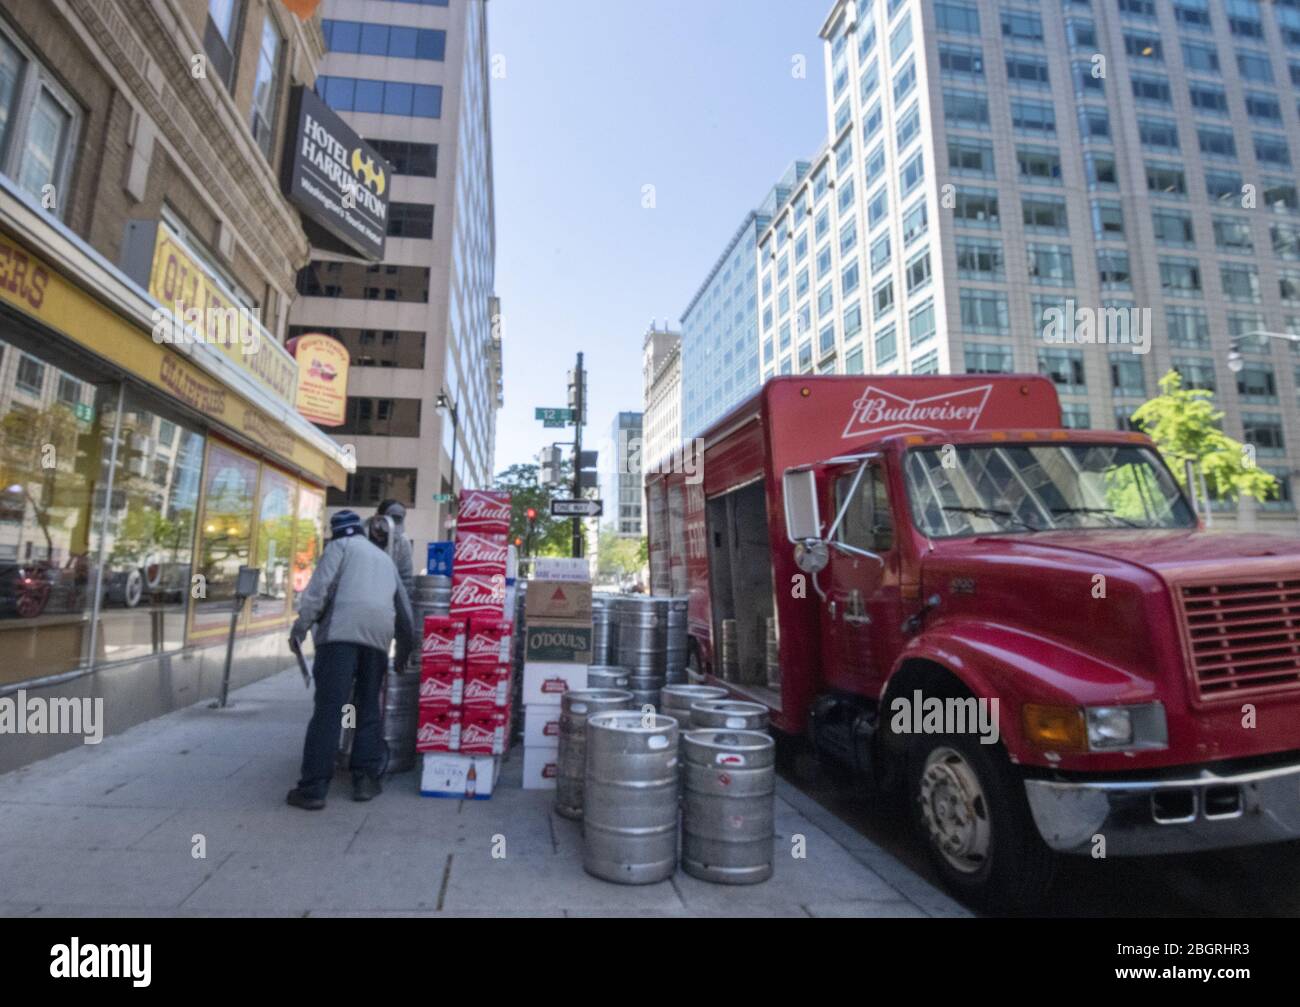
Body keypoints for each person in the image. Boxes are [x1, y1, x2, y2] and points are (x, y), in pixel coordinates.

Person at [286, 509, 414, 810]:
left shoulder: (337, 548)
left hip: (341, 636)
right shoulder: (383, 558)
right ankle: (365, 780)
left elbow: (318, 592)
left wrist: (300, 629)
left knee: (330, 709)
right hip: (378, 640)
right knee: (367, 706)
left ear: (335, 532)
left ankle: (314, 788)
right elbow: (404, 607)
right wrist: (405, 649)